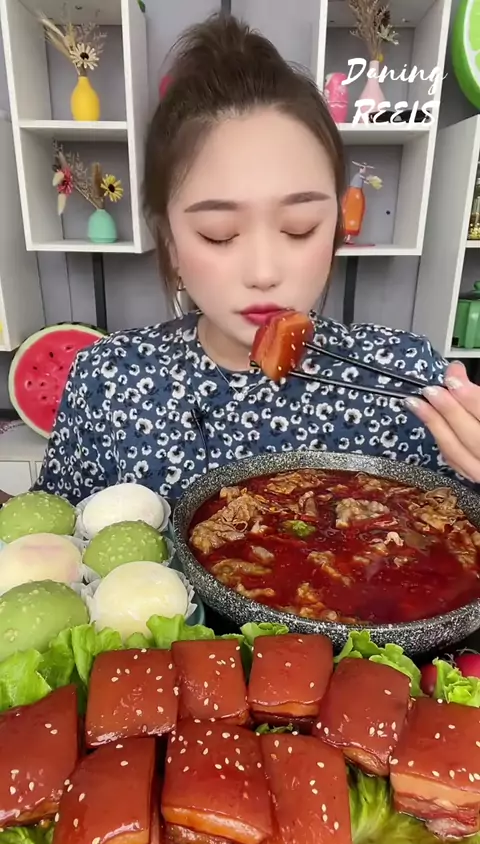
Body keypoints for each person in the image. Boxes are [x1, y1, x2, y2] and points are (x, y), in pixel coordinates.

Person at [31, 13, 480, 505]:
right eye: (219, 235)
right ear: (172, 244)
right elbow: (48, 536)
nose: (265, 273)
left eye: (299, 227)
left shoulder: (409, 379)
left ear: (336, 227)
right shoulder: (110, 379)